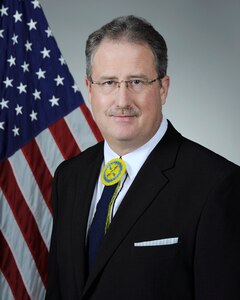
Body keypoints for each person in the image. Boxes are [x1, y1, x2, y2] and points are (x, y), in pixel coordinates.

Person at [46, 15, 240, 300]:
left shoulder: (217, 185)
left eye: (136, 81)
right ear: (90, 89)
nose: (122, 100)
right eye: (109, 82)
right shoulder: (69, 177)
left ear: (163, 88)